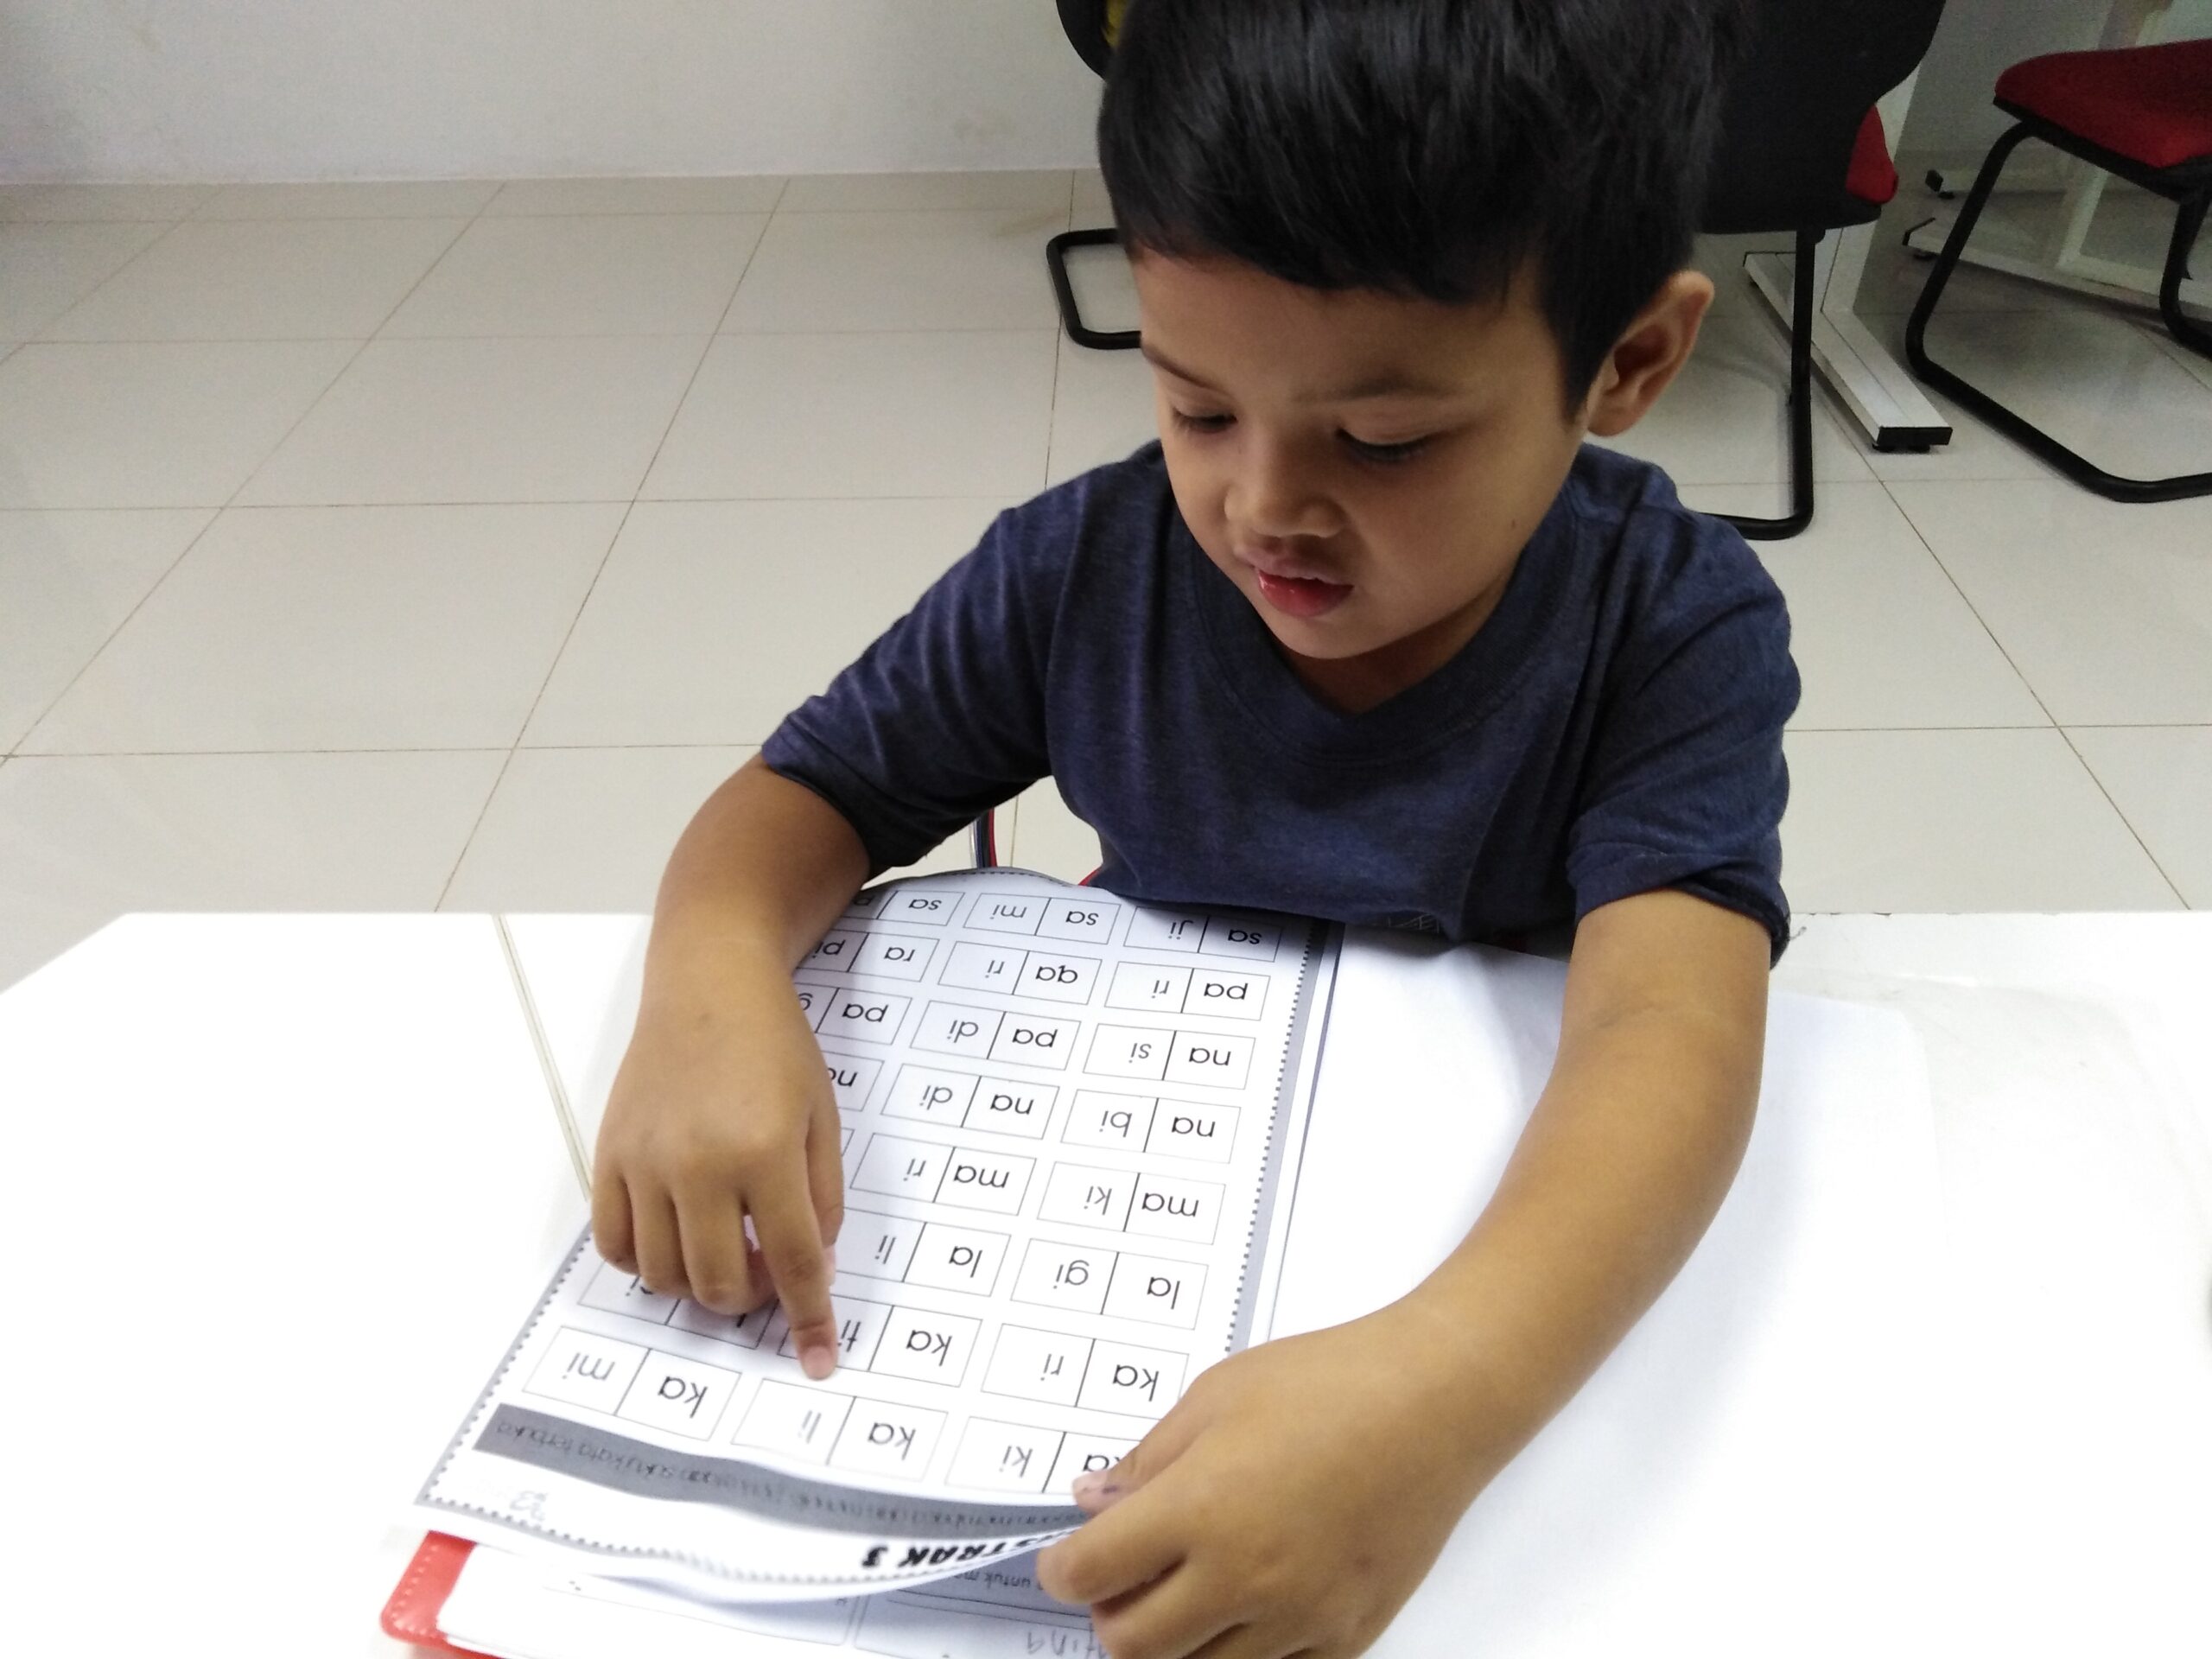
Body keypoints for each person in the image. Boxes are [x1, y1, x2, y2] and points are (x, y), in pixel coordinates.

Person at [593, 0, 1796, 1652]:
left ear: (1630, 362)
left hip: (1494, 1275)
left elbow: (1673, 1029)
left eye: (1383, 440)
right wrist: (709, 985)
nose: (1263, 507)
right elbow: (806, 795)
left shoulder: (1670, 626)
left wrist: (1445, 1394)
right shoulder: (1080, 571)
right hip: (1134, 1211)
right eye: (1197, 406)